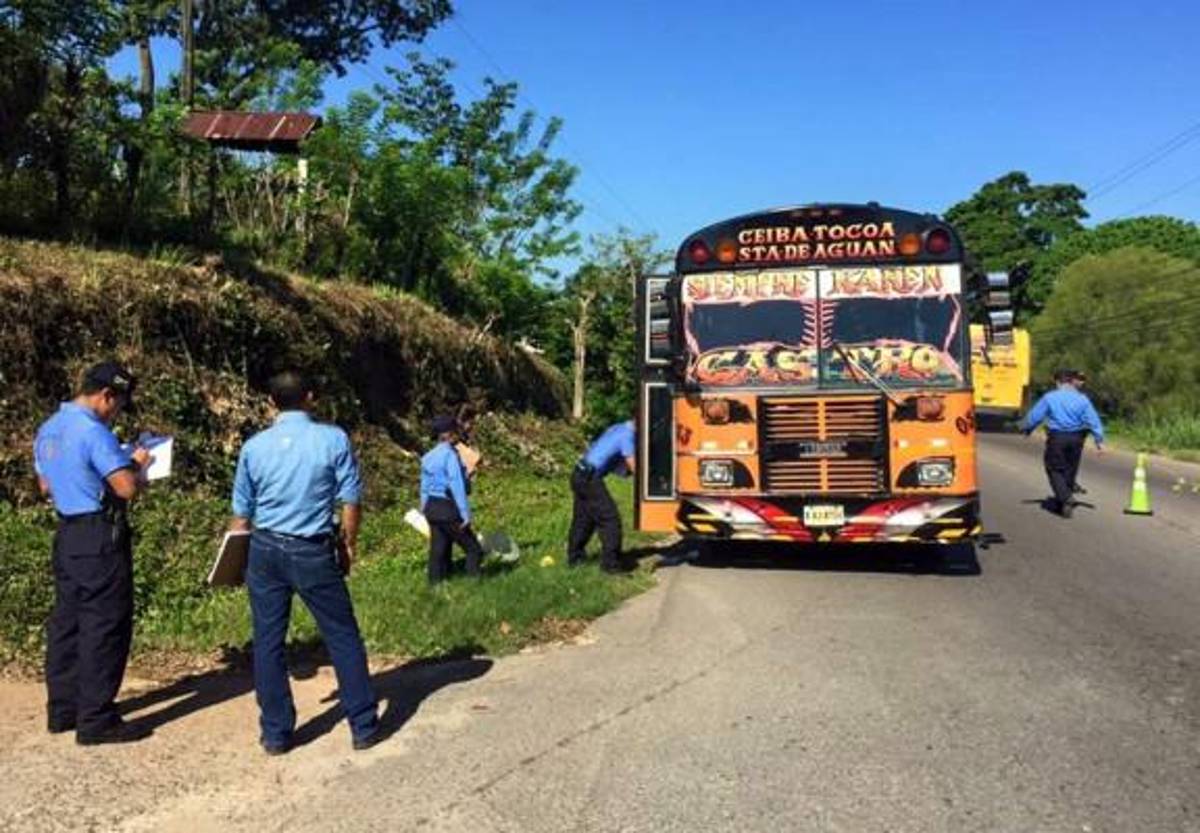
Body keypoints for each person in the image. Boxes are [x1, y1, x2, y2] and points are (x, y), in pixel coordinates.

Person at [229, 371, 380, 754]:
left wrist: (233, 561)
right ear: (310, 397)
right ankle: (363, 726)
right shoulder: (333, 439)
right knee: (341, 634)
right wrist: (348, 545)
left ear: (270, 403)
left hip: (264, 549)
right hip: (312, 548)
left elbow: (241, 515)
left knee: (268, 641)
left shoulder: (253, 447)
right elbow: (350, 500)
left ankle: (276, 734)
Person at [34, 361, 152, 745]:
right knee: (104, 625)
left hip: (67, 533)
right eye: (118, 405)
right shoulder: (94, 432)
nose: (116, 412)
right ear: (106, 396)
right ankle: (96, 719)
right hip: (99, 534)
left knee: (67, 623)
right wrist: (137, 465)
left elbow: (45, 486)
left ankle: (63, 711)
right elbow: (125, 488)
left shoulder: (49, 429)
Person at [1021, 369, 1105, 518]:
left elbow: (1035, 416)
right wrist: (1099, 441)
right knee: (1070, 469)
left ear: (1058, 382)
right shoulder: (1082, 399)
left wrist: (1028, 428)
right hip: (1077, 438)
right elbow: (1093, 420)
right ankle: (1063, 499)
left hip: (1057, 437)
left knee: (1054, 468)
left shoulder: (1050, 397)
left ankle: (1066, 498)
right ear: (1072, 381)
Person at [420, 415, 484, 584]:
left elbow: (424, 486)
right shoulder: (450, 455)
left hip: (432, 507)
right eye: (456, 431)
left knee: (438, 550)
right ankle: (474, 584)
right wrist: (465, 514)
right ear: (449, 434)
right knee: (473, 549)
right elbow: (456, 485)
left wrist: (424, 508)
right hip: (448, 507)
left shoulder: (427, 457)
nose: (459, 435)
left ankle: (435, 585)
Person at [568, 418, 636, 572]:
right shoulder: (628, 436)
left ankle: (575, 559)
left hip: (579, 474)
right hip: (589, 478)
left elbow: (607, 454)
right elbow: (633, 465)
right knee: (610, 519)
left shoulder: (617, 427)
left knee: (583, 519)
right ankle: (610, 565)